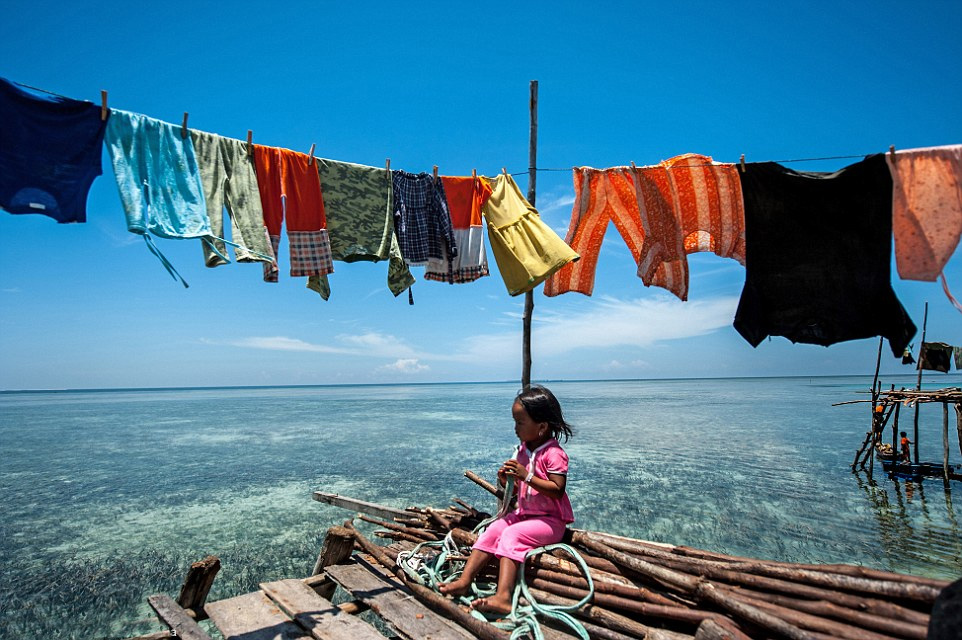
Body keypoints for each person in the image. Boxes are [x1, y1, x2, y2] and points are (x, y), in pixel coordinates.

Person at [439, 385, 574, 614]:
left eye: (520, 423)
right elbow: (517, 490)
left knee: (511, 535)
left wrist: (526, 475)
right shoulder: (523, 451)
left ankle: (503, 596)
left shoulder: (554, 454)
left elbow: (557, 490)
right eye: (515, 421)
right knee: (493, 529)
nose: (515, 428)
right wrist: (505, 481)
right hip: (524, 515)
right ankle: (464, 580)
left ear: (541, 427)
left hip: (550, 522)